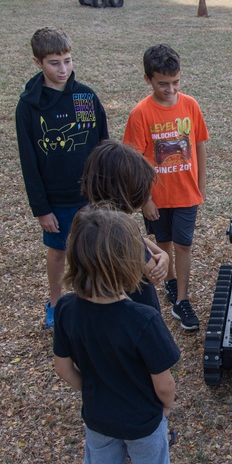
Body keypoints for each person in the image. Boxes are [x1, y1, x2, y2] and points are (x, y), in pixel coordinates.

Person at [52, 205, 207, 464]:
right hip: (143, 420)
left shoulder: (67, 309)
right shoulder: (143, 318)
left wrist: (91, 389)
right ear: (126, 263)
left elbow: (63, 368)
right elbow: (164, 384)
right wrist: (164, 408)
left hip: (98, 417)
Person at [16, 27, 109, 329]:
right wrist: (42, 209)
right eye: (54, 63)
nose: (63, 69)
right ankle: (55, 303)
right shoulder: (29, 107)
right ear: (37, 62)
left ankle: (95, 299)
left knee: (94, 249)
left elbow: (101, 144)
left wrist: (104, 190)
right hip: (56, 200)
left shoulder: (84, 97)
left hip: (90, 196)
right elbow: (28, 162)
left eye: (67, 61)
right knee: (58, 251)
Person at [122, 44, 209, 332]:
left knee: (184, 244)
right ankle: (170, 281)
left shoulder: (191, 105)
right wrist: (144, 198)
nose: (170, 89)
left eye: (176, 82)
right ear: (148, 79)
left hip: (186, 194)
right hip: (156, 198)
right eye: (163, 83)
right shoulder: (140, 114)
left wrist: (201, 185)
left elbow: (199, 144)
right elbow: (134, 160)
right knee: (164, 242)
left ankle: (182, 299)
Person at [80, 140, 170, 310]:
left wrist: (161, 253)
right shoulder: (121, 229)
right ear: (124, 190)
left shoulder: (89, 218)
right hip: (137, 310)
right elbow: (154, 276)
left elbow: (138, 238)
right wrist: (159, 261)